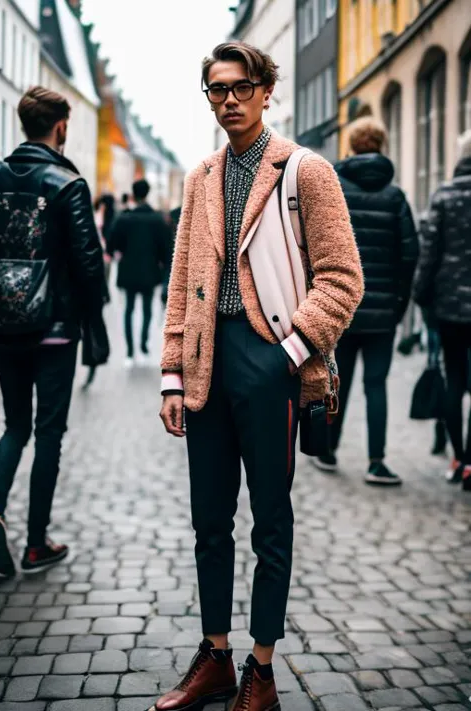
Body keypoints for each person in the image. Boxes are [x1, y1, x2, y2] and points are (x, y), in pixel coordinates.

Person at [156, 41, 363, 711]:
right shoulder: (200, 177)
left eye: (242, 86)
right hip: (206, 362)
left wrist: (289, 351)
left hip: (270, 359)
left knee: (270, 520)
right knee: (209, 520)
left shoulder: (307, 172)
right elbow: (184, 280)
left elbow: (342, 277)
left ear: (267, 90)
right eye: (217, 89)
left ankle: (262, 670)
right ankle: (215, 655)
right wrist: (170, 371)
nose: (230, 99)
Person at [0, 86, 107, 577]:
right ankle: (36, 543)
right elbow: (87, 262)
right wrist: (94, 317)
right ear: (60, 126)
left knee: (15, 426)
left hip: (4, 325)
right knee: (48, 435)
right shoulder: (67, 183)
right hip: (55, 329)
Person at [315, 117, 419, 486]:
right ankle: (377, 462)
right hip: (383, 313)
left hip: (342, 309)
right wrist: (398, 302)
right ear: (381, 147)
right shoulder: (395, 197)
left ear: (353, 145)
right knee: (377, 385)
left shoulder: (336, 190)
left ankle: (327, 449)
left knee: (335, 382)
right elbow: (410, 255)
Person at [414, 129, 471, 490]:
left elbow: (428, 252)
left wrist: (421, 296)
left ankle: (459, 456)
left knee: (455, 380)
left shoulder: (445, 195)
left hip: (450, 308)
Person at [108, 179, 172, 367]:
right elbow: (167, 249)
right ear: (147, 193)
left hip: (128, 271)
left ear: (133, 194)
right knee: (147, 310)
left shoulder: (124, 218)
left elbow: (113, 244)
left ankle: (129, 352)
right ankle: (143, 346)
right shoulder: (157, 219)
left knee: (128, 309)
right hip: (150, 272)